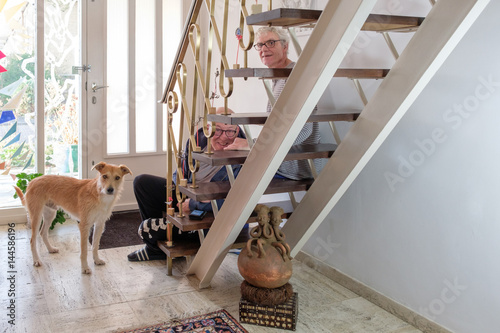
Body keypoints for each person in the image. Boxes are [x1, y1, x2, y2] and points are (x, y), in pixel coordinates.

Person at [128, 110, 247, 261]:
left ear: (237, 131)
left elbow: (232, 203)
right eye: (218, 130)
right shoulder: (197, 139)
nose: (224, 137)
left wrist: (193, 204)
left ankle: (176, 239)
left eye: (230, 131)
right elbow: (180, 172)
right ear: (208, 128)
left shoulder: (243, 154)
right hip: (188, 198)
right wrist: (181, 194)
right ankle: (155, 249)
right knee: (142, 183)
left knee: (146, 228)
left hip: (209, 214)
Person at [224, 26, 321, 180]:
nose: (263, 49)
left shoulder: (295, 75)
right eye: (260, 45)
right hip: (280, 157)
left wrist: (254, 145)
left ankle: (192, 205)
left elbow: (303, 130)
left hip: (294, 164)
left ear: (285, 46)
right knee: (225, 167)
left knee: (230, 175)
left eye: (270, 43)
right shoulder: (277, 78)